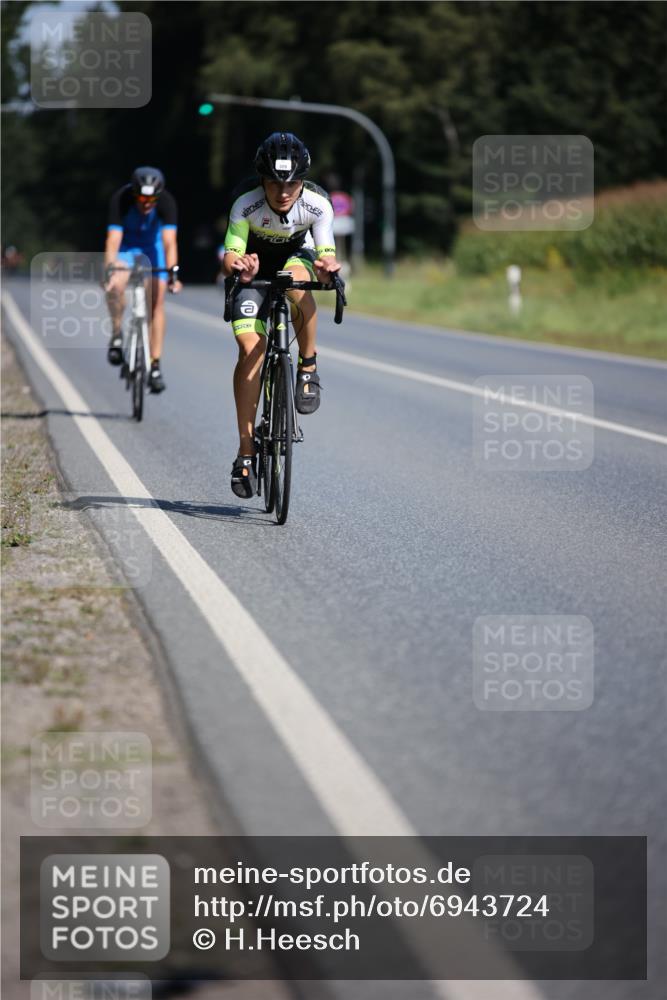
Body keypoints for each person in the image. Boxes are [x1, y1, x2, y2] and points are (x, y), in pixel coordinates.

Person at [221, 131, 341, 499]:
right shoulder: (246, 203)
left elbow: (324, 255)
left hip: (294, 262)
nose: (283, 191)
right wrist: (239, 265)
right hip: (253, 272)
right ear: (262, 179)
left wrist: (327, 268)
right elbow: (230, 255)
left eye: (292, 183)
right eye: (274, 182)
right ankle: (245, 451)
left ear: (303, 181)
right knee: (250, 351)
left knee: (295, 281)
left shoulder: (318, 205)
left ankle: (307, 366)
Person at [103, 166, 182, 393]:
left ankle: (155, 364)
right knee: (115, 286)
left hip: (152, 247)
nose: (146, 204)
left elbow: (169, 242)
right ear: (134, 192)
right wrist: (110, 270)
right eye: (141, 198)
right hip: (127, 247)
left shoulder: (166, 202)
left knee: (156, 302)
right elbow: (113, 240)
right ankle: (117, 335)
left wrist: (173, 273)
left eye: (151, 200)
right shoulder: (121, 199)